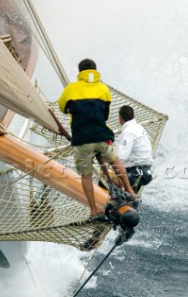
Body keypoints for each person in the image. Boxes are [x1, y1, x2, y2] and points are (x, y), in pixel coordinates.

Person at [58, 59, 136, 220]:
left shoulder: (71, 88)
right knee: (115, 162)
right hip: (101, 136)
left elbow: (62, 108)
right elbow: (105, 115)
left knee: (86, 176)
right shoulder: (103, 88)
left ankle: (93, 209)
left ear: (80, 73)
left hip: (82, 139)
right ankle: (130, 191)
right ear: (95, 71)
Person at [116, 105, 154, 194]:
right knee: (129, 198)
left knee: (104, 181)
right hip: (146, 171)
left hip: (136, 172)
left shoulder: (128, 132)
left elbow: (120, 157)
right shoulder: (139, 127)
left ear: (120, 118)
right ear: (133, 116)